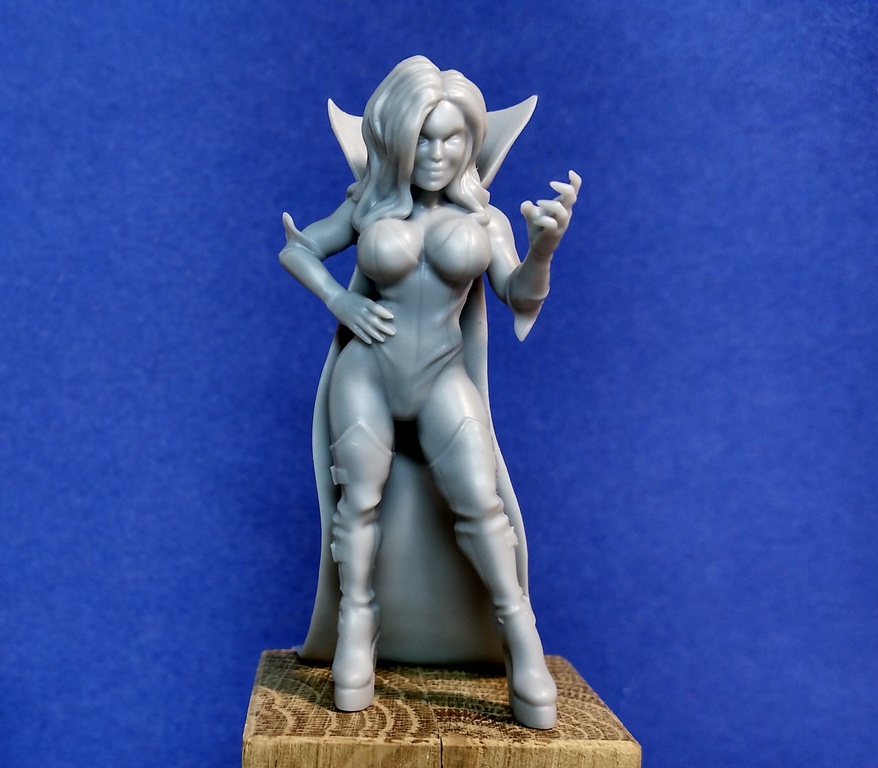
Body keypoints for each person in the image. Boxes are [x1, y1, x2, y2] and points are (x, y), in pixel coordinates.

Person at [279, 55, 579, 729]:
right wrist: (340, 300)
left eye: (452, 138)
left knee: (482, 506)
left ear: (471, 142)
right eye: (423, 137)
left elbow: (518, 295)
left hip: (442, 376)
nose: (437, 154)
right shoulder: (368, 207)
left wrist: (542, 251)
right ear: (395, 137)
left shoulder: (486, 221)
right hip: (368, 374)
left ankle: (519, 634)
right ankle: (357, 623)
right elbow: (298, 249)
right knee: (359, 505)